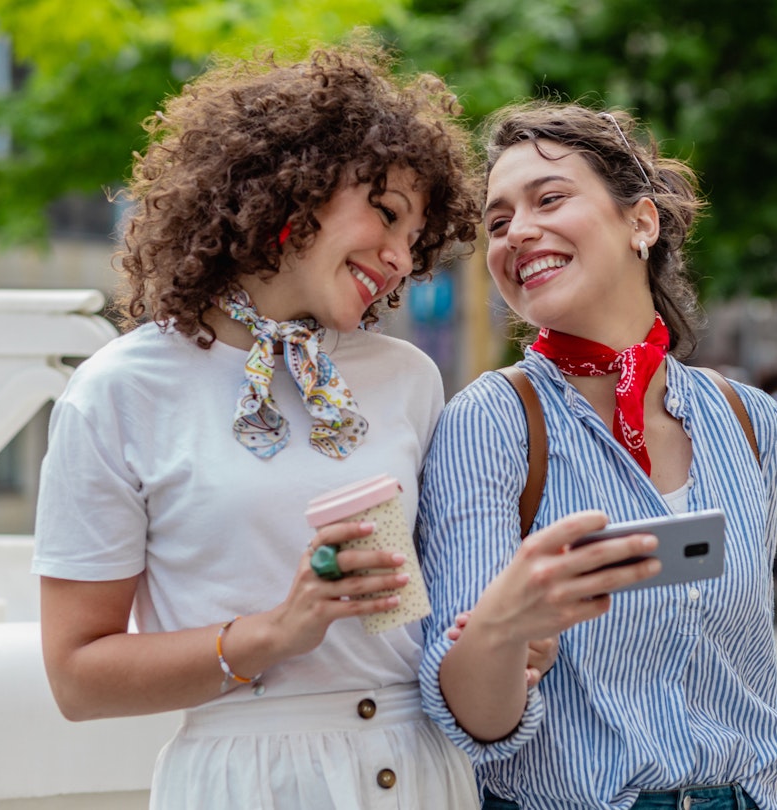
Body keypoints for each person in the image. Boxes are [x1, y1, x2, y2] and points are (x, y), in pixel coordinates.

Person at [30, 44, 492, 808]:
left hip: (421, 769)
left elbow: (442, 608)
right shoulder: (118, 391)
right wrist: (275, 633)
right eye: (385, 214)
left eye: (416, 241)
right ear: (291, 188)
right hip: (248, 779)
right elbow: (77, 677)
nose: (401, 259)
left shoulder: (408, 378)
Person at [416, 101, 777, 810]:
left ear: (642, 222)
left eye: (549, 199)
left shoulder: (748, 420)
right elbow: (476, 719)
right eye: (498, 220)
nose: (519, 231)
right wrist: (507, 623)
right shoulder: (492, 420)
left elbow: (747, 693)